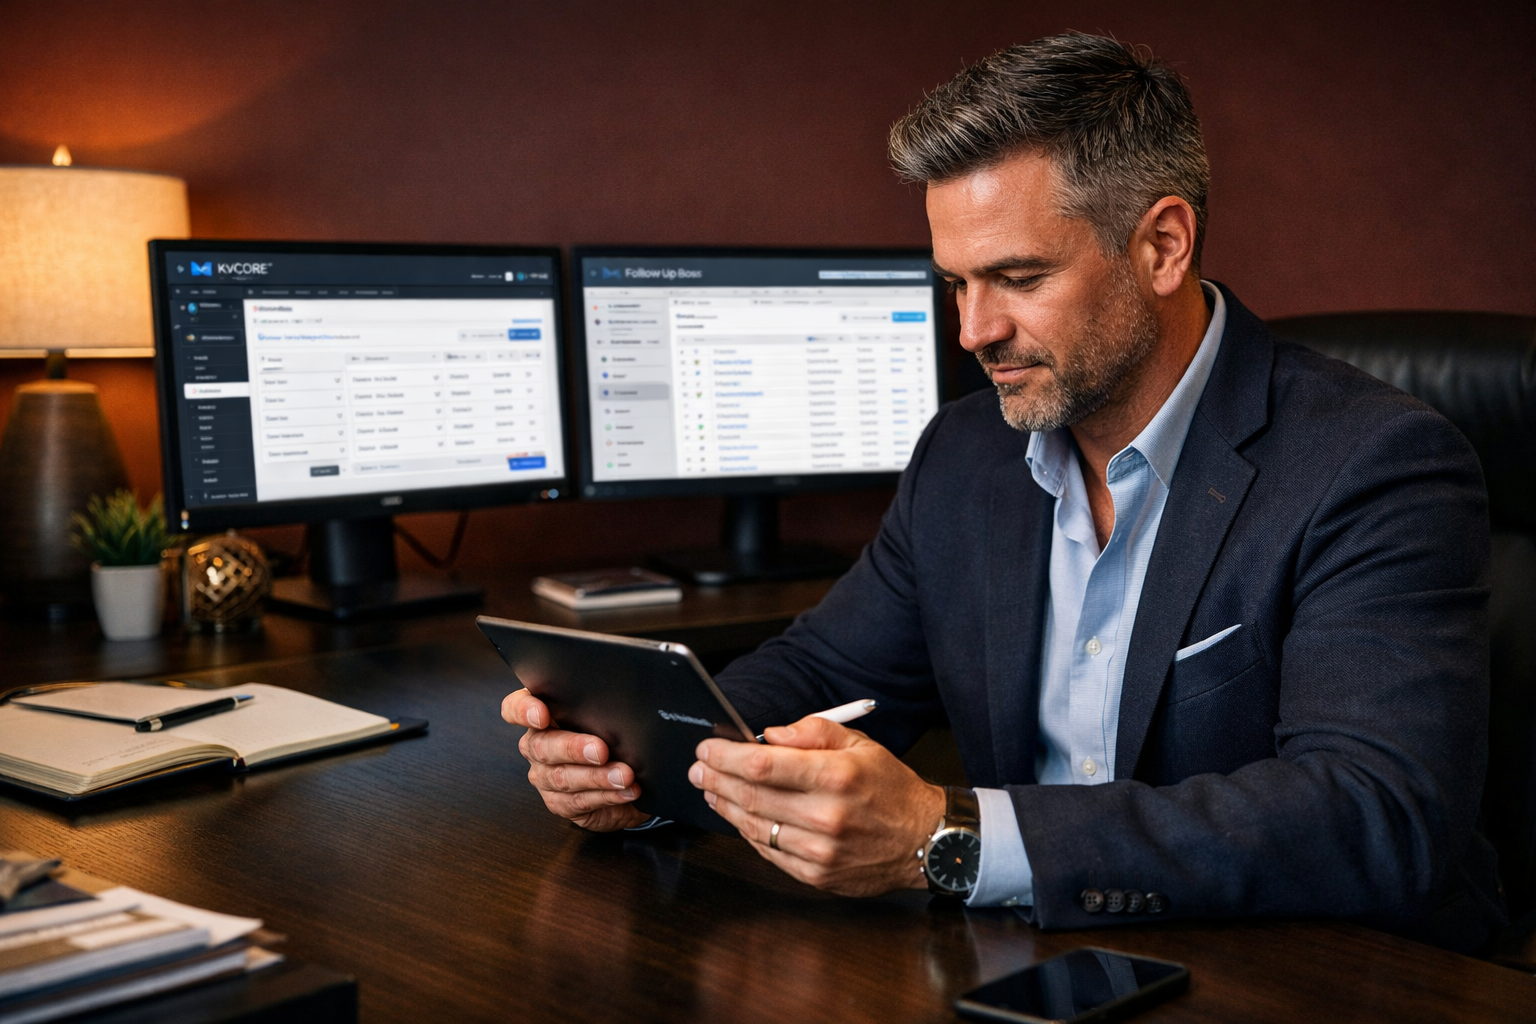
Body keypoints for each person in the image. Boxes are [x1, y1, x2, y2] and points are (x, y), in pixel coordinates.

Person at [502, 32, 1505, 952]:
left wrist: (953, 836)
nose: (971, 329)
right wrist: (643, 761)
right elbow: (826, 666)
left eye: (1018, 277)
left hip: (1321, 973)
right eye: (955, 281)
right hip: (1044, 961)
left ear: (1162, 246)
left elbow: (1375, 813)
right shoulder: (966, 453)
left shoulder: (1378, 462)